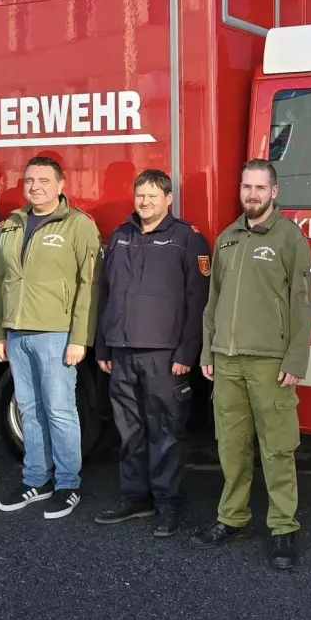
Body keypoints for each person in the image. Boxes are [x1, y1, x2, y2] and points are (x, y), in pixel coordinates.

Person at [190, 159, 311, 570]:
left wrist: (296, 358)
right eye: (247, 187)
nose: (252, 195)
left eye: (260, 188)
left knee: (277, 448)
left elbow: (304, 303)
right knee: (231, 447)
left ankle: (283, 528)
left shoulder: (289, 238)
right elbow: (213, 303)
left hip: (269, 363)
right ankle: (233, 517)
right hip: (226, 362)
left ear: (274, 192)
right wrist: (208, 351)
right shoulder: (227, 239)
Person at [91, 169, 211, 537]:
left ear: (169, 199)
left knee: (166, 432)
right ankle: (135, 497)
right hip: (122, 353)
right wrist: (104, 345)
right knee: (129, 430)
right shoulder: (121, 236)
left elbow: (198, 303)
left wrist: (187, 353)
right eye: (140, 195)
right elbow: (105, 295)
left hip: (165, 357)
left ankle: (168, 504)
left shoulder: (187, 240)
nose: (144, 202)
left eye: (153, 196)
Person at [0, 157, 101, 519]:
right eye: (30, 180)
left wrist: (79, 338)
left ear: (61, 184)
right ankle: (36, 478)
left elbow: (90, 284)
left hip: (56, 334)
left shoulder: (78, 225)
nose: (36, 186)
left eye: (44, 180)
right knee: (29, 410)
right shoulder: (12, 226)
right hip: (16, 333)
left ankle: (68, 484)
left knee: (60, 411)